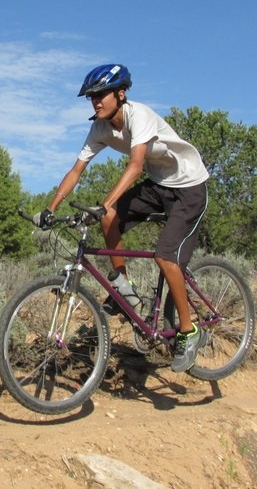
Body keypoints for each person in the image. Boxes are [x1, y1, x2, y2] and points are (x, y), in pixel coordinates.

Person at [32, 63, 210, 372]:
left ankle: (188, 330)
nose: (96, 101)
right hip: (159, 185)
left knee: (165, 256)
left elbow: (136, 165)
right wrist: (51, 208)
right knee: (109, 217)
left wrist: (105, 201)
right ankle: (124, 289)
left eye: (101, 95)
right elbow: (76, 170)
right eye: (92, 97)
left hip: (189, 186)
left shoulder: (137, 115)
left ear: (121, 94)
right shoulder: (99, 128)